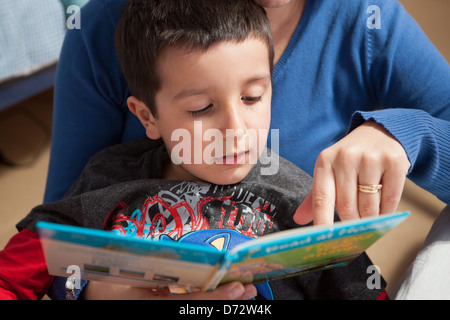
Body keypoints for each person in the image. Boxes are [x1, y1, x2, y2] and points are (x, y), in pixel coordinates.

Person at [46, 0, 450, 298]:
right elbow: (57, 245)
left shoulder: (366, 19)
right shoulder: (105, 28)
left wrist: (405, 134)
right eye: (200, 107)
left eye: (254, 96)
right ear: (144, 115)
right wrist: (103, 290)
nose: (234, 131)